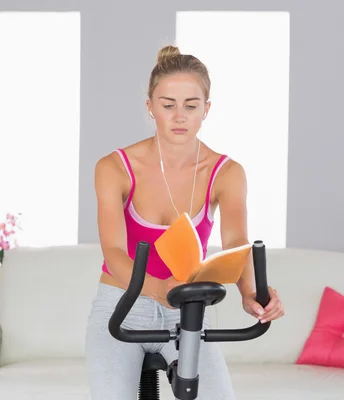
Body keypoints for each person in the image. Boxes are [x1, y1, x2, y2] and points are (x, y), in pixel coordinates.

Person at [85, 45, 285, 400]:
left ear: (206, 110)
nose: (180, 116)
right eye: (167, 105)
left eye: (191, 106)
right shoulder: (113, 167)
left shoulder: (227, 172)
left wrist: (252, 295)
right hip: (122, 305)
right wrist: (159, 290)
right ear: (150, 107)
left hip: (187, 311)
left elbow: (237, 241)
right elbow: (114, 252)